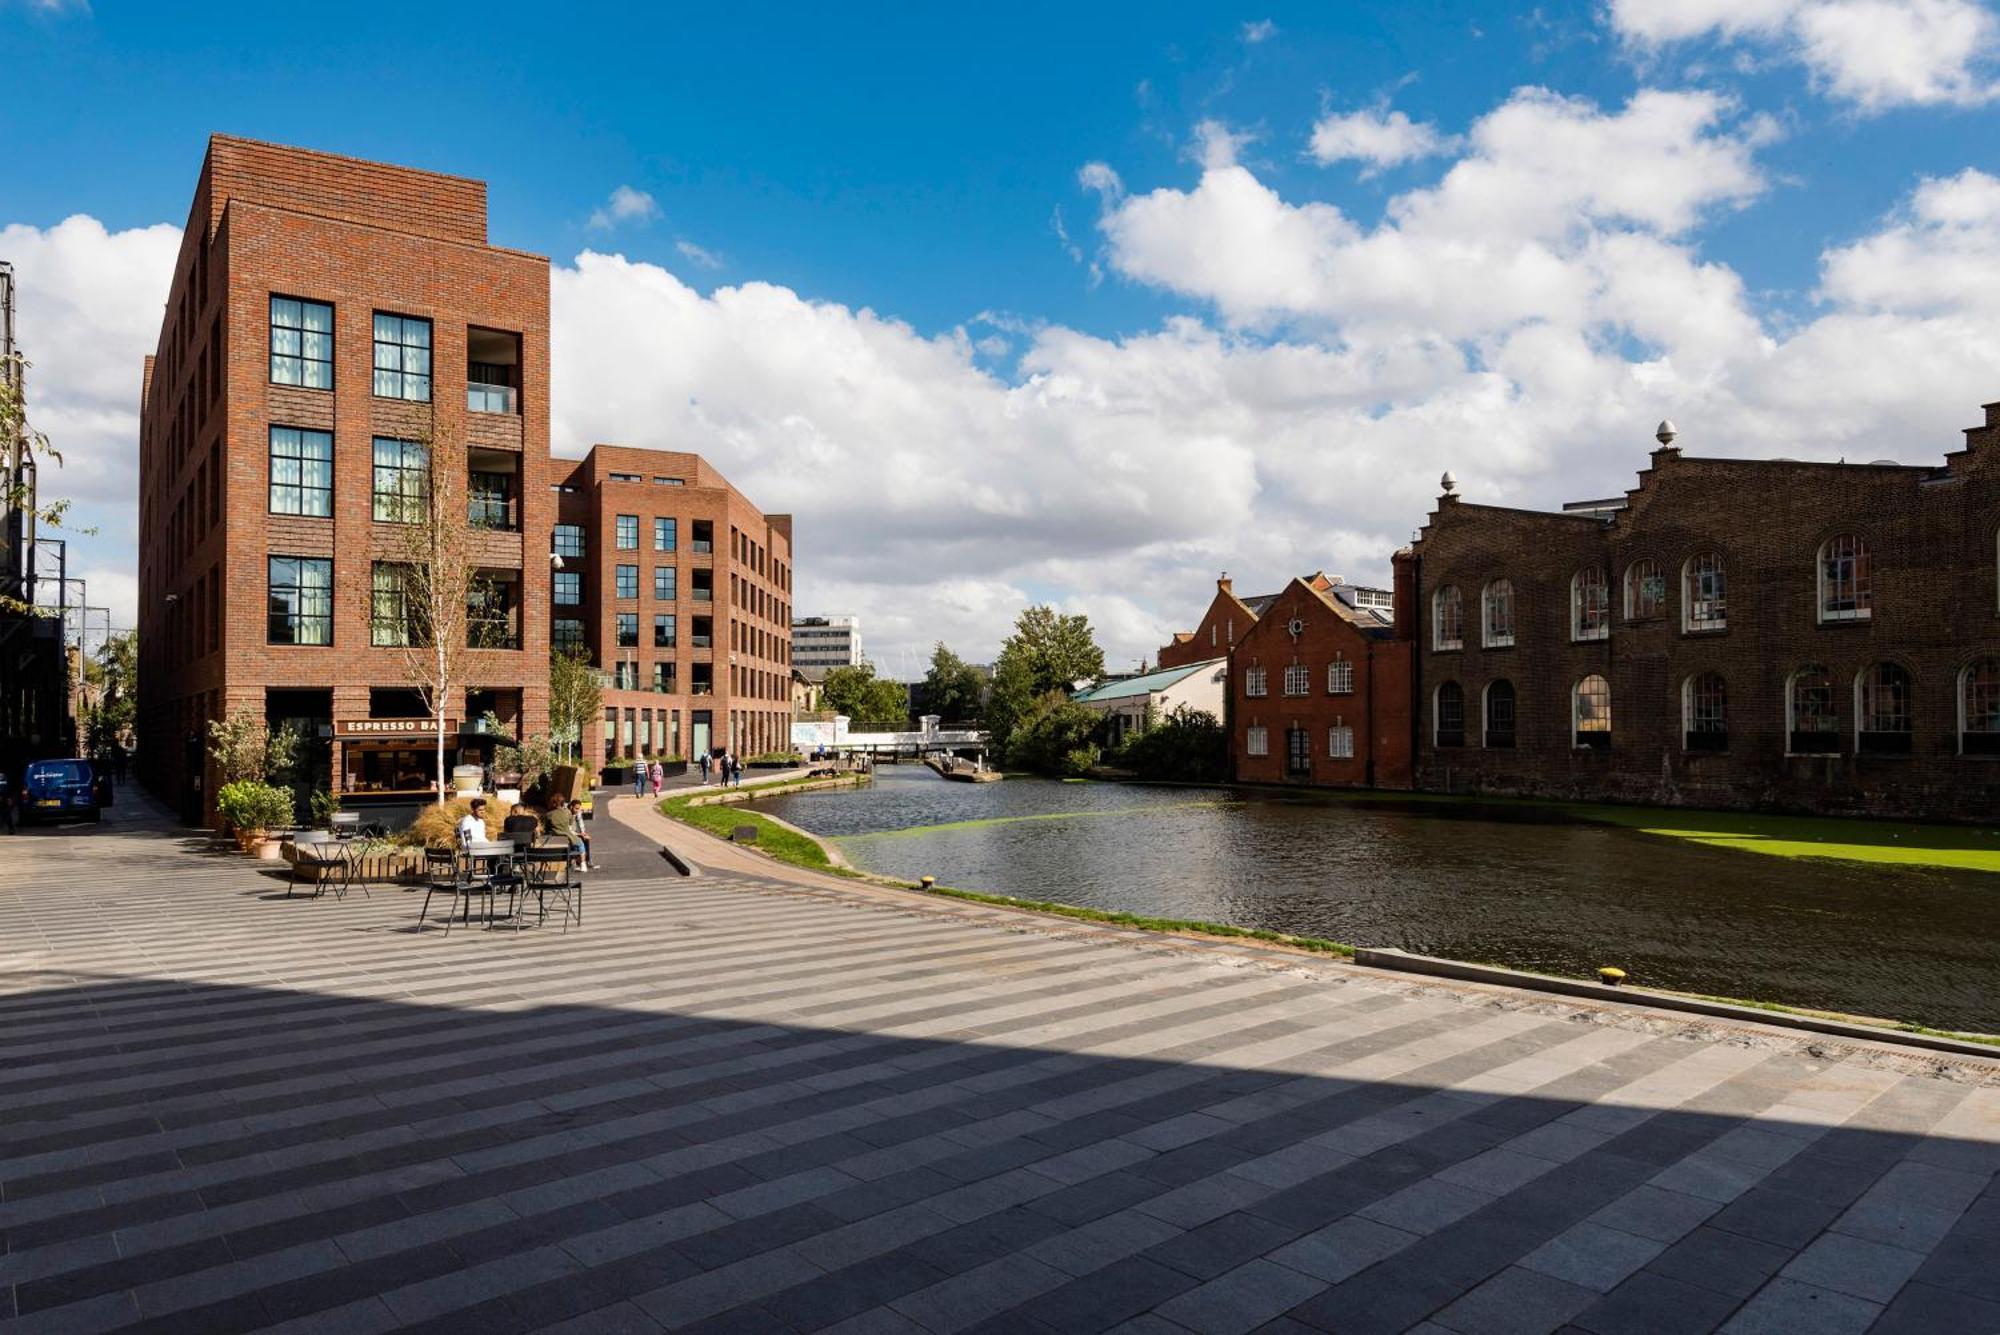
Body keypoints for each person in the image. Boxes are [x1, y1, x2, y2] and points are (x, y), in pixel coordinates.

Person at [544, 795, 594, 870]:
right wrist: (580, 833)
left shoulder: (548, 815)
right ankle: (583, 864)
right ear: (563, 803)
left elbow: (546, 828)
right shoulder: (567, 813)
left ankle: (577, 863)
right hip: (567, 835)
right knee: (580, 843)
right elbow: (570, 826)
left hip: (555, 836)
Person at [0, 770, 14, 835]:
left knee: (7, 814)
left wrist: (9, 799)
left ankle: (11, 829)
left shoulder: (5, 777)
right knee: (7, 814)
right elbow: (9, 788)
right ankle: (11, 829)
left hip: (5, 799)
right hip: (6, 798)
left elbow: (9, 788)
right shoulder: (5, 777)